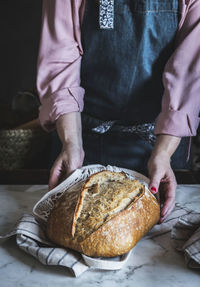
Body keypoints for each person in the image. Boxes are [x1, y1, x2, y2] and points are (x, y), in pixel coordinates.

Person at [36, 0, 200, 223]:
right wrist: (71, 143)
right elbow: (59, 57)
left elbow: (189, 73)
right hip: (80, 138)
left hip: (161, 148)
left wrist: (163, 153)